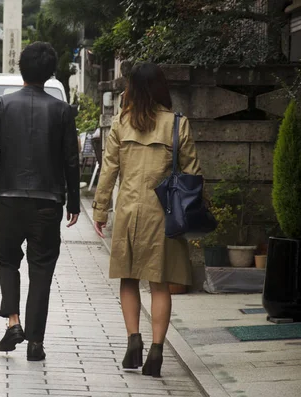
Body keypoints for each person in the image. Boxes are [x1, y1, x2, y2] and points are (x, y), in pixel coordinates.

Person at [0, 42, 81, 361]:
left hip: (9, 198)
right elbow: (71, 160)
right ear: (50, 73)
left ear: (22, 69)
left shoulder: (2, 106)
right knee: (42, 269)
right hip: (48, 202)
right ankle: (36, 343)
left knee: (7, 259)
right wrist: (73, 202)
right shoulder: (62, 110)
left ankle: (13, 322)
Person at [92, 62, 202, 377]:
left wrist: (101, 210)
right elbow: (192, 173)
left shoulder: (121, 123)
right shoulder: (177, 124)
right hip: (163, 215)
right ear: (160, 88)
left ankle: (132, 342)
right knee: (159, 283)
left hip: (128, 212)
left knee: (128, 279)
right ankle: (156, 351)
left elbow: (109, 169)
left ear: (131, 90)